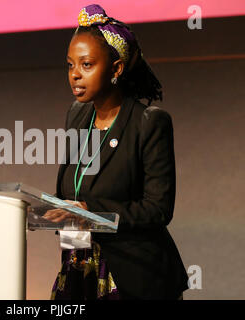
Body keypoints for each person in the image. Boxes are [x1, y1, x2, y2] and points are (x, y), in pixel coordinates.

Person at [43, 4, 189, 300]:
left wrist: (91, 211)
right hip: (79, 266)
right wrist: (50, 210)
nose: (74, 75)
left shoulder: (149, 123)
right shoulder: (77, 115)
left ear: (116, 69)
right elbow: (74, 183)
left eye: (86, 65)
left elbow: (158, 209)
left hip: (134, 275)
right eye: (70, 65)